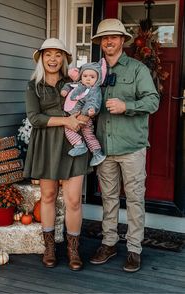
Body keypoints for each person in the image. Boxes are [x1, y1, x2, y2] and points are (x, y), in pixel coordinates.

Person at [89, 19, 160, 272]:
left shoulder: (137, 69)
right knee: (108, 198)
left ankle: (134, 249)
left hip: (131, 147)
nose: (108, 41)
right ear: (99, 43)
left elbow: (153, 102)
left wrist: (126, 106)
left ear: (122, 40)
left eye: (113, 37)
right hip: (104, 148)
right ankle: (108, 243)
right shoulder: (94, 71)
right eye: (104, 38)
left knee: (134, 199)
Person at [23, 38, 89, 271]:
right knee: (48, 197)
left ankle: (73, 250)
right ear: (41, 58)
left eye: (57, 54)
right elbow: (35, 118)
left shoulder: (73, 82)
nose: (53, 59)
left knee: (73, 200)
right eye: (48, 54)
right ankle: (49, 248)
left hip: (73, 146)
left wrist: (83, 117)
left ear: (64, 59)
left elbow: (87, 101)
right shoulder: (34, 86)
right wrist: (65, 120)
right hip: (46, 145)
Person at [61, 62, 106, 166]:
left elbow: (94, 101)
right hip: (73, 117)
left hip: (84, 117)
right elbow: (68, 85)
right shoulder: (78, 85)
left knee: (82, 133)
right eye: (85, 76)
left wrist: (90, 110)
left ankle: (90, 150)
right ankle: (88, 149)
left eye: (92, 77)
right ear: (81, 76)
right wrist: (64, 90)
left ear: (98, 79)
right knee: (78, 132)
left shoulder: (94, 90)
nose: (88, 79)